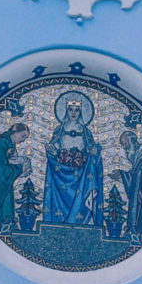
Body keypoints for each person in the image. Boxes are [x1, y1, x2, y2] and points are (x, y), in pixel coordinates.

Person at [43, 92, 103, 225]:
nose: (73, 113)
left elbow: (90, 148)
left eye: (77, 110)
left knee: (80, 198)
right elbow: (55, 146)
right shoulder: (60, 129)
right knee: (61, 199)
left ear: (81, 112)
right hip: (62, 171)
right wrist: (51, 149)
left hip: (81, 173)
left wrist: (95, 150)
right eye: (71, 109)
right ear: (66, 111)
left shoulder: (85, 131)